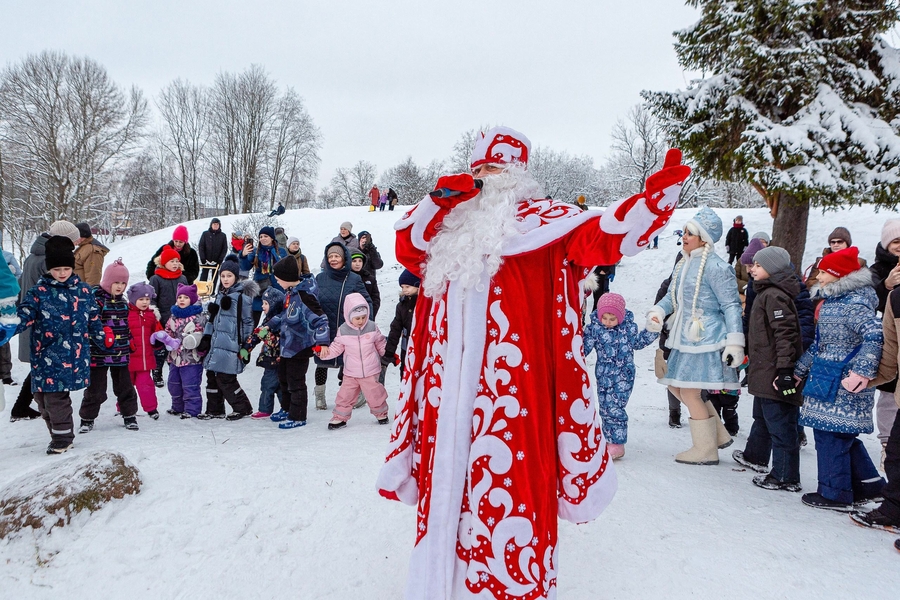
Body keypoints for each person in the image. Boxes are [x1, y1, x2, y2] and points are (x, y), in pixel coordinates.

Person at [376, 126, 688, 598]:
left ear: (519, 173)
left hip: (514, 402)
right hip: (444, 403)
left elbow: (605, 237)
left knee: (511, 496)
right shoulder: (450, 228)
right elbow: (408, 246)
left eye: (496, 168)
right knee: (445, 499)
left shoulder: (549, 225)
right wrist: (439, 199)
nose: (485, 177)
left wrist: (652, 204)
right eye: (479, 168)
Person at [647, 207, 743, 465]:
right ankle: (716, 435)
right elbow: (671, 296)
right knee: (675, 384)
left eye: (690, 233)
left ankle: (705, 449)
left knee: (689, 392)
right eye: (685, 232)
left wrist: (735, 341)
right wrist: (658, 311)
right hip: (684, 337)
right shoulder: (684, 262)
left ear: (704, 238)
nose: (685, 237)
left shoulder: (717, 267)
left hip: (705, 337)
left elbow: (731, 306)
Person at [795, 246, 886, 511]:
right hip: (827, 378)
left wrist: (862, 371)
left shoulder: (854, 305)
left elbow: (875, 335)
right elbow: (820, 345)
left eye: (824, 271)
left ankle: (835, 494)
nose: (819, 275)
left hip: (845, 383)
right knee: (843, 435)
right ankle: (869, 485)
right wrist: (800, 371)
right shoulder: (832, 303)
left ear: (838, 274)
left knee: (829, 436)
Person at [10, 236, 109, 454]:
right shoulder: (39, 292)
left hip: (70, 356)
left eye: (66, 268)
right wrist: (9, 328)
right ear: (49, 269)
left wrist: (101, 339)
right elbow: (25, 314)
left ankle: (63, 438)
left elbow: (93, 318)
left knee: (57, 398)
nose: (62, 273)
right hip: (43, 353)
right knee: (42, 398)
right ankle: (57, 433)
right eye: (57, 269)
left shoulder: (83, 291)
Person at [731, 247, 804, 492]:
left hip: (775, 372)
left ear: (771, 269)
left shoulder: (775, 296)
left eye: (758, 266)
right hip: (764, 368)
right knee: (763, 416)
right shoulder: (765, 292)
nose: (752, 269)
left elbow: (786, 335)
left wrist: (784, 370)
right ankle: (756, 455)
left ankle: (785, 475)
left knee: (781, 423)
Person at [8, 221, 81, 422]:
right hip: (42, 323)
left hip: (35, 319)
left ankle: (22, 407)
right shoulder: (48, 260)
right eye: (72, 241)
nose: (74, 245)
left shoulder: (33, 255)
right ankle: (26, 408)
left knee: (39, 367)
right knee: (43, 368)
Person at [582, 292, 658, 460]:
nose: (608, 322)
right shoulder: (595, 329)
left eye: (612, 318)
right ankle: (608, 439)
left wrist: (652, 330)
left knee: (615, 407)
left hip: (624, 375)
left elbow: (638, 343)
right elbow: (584, 349)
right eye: (605, 317)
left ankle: (617, 444)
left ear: (620, 317)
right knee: (605, 408)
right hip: (603, 376)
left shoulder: (628, 329)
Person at [853, 285, 900, 533]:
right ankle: (894, 510)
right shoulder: (896, 297)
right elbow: (891, 352)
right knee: (895, 455)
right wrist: (865, 379)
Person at [78, 258, 139, 433]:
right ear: (107, 281)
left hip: (121, 352)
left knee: (125, 387)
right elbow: (89, 323)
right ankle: (87, 418)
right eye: (116, 282)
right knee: (95, 389)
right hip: (99, 353)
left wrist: (130, 341)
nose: (119, 286)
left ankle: (129, 415)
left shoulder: (123, 302)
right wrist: (98, 338)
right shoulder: (96, 300)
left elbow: (128, 324)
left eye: (123, 283)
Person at [268, 256, 329, 429]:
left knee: (295, 382)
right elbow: (286, 316)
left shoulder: (304, 296)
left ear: (287, 278)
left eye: (279, 278)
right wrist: (270, 324)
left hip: (300, 346)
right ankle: (286, 409)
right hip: (287, 346)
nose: (277, 281)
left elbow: (321, 320)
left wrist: (323, 343)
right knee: (284, 379)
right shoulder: (290, 294)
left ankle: (298, 415)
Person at [313, 243, 372, 411]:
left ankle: (353, 395)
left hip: (348, 329)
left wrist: (366, 323)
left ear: (344, 258)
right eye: (330, 256)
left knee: (350, 364)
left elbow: (366, 302)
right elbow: (312, 302)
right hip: (325, 327)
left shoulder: (354, 278)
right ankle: (319, 396)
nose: (333, 259)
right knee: (322, 362)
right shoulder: (320, 278)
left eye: (336, 256)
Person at [197, 255, 257, 420]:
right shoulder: (218, 296)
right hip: (216, 345)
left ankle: (243, 407)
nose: (225, 279)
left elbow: (248, 322)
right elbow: (212, 319)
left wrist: (246, 345)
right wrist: (206, 337)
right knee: (211, 378)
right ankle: (214, 410)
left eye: (229, 276)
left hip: (231, 345)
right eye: (223, 276)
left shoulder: (242, 298)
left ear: (236, 277)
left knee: (226, 379)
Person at [318, 293, 390, 429]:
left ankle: (381, 413)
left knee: (375, 394)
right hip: (351, 372)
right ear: (349, 316)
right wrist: (323, 353)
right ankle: (340, 417)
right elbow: (336, 348)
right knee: (345, 395)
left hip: (370, 370)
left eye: (364, 317)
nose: (361, 321)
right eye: (357, 318)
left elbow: (380, 343)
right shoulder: (343, 330)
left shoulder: (372, 327)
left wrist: (388, 354)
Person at [869, 218, 900, 469]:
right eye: (896, 241)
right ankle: (887, 445)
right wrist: (886, 286)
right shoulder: (875, 270)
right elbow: (867, 303)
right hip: (888, 340)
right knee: (889, 393)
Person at [154, 284, 207, 419]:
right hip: (175, 358)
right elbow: (169, 331)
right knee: (173, 384)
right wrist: (166, 339)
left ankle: (192, 410)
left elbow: (201, 334)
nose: (182, 300)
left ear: (193, 299)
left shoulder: (198, 317)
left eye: (186, 297)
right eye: (180, 297)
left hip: (191, 358)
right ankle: (177, 407)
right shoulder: (174, 316)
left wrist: (191, 339)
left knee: (190, 385)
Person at [149, 246, 188, 387]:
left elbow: (189, 295)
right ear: (163, 262)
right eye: (171, 261)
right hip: (163, 317)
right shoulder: (156, 279)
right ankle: (157, 371)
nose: (175, 264)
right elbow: (151, 298)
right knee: (161, 348)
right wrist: (154, 313)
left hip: (180, 318)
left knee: (178, 345)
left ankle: (178, 372)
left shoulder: (182, 277)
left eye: (177, 261)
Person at [245, 286, 285, 420]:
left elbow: (277, 343)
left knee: (268, 385)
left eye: (266, 303)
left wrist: (266, 335)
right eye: (263, 303)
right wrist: (246, 348)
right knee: (277, 386)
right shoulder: (267, 320)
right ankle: (286, 408)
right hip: (269, 359)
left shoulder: (280, 323)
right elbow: (256, 336)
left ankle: (265, 409)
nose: (263, 306)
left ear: (274, 305)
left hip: (276, 359)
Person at [125, 282, 163, 419]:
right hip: (128, 358)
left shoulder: (152, 315)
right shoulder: (126, 314)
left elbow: (158, 332)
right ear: (133, 299)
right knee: (126, 386)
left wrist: (158, 341)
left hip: (145, 359)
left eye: (147, 299)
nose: (145, 302)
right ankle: (123, 408)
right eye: (141, 299)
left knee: (146, 385)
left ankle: (151, 408)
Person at [240, 225, 287, 326]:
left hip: (277, 290)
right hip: (260, 290)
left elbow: (284, 267)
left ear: (272, 238)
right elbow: (245, 267)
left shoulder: (281, 251)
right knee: (253, 321)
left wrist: (272, 252)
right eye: (261, 237)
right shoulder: (256, 251)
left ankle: (273, 340)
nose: (263, 239)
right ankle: (250, 340)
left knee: (276, 321)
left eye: (265, 236)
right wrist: (243, 256)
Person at [382, 270, 419, 380]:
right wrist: (389, 352)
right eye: (402, 287)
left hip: (421, 347)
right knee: (405, 375)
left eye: (407, 287)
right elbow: (395, 329)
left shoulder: (425, 304)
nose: (404, 290)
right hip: (406, 347)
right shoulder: (402, 305)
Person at [73, 222, 110, 287]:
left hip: (83, 292)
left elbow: (93, 276)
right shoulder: (83, 247)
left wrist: (89, 293)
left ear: (81, 236)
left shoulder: (93, 251)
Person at [350, 251, 381, 317]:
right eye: (354, 261)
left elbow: (375, 298)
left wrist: (371, 314)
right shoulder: (345, 278)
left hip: (367, 315)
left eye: (360, 261)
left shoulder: (370, 278)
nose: (357, 264)